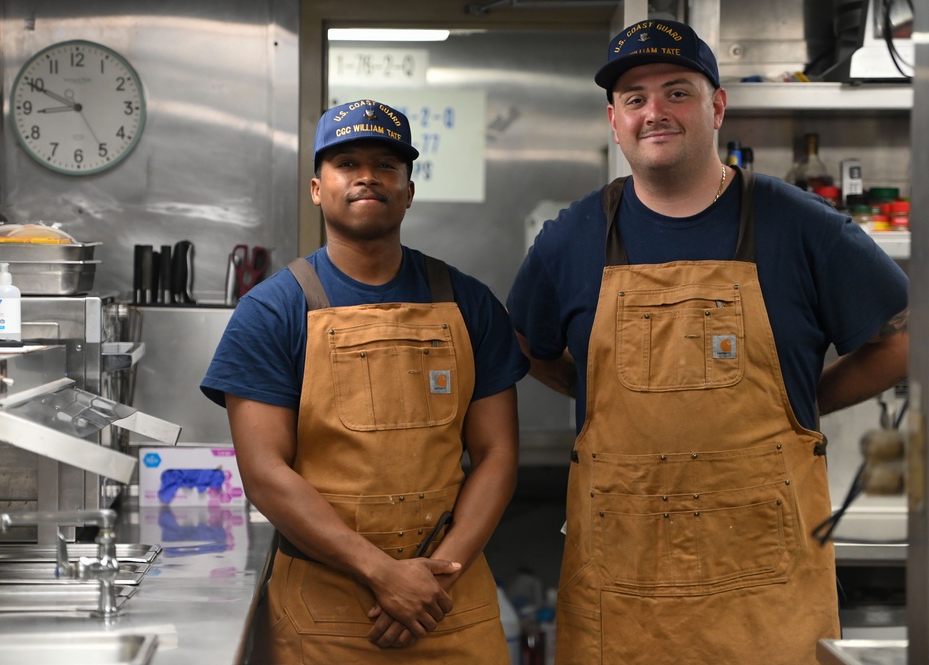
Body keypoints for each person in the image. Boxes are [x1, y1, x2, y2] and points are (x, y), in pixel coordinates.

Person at [506, 19, 909, 665]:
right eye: (634, 99)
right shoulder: (570, 237)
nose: (654, 112)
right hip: (622, 593)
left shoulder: (800, 225)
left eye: (676, 91)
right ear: (614, 121)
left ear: (715, 105)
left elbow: (900, 341)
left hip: (766, 601)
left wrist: (799, 402)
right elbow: (527, 345)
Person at [201, 98, 528, 663]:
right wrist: (384, 574)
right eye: (347, 163)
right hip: (325, 618)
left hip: (450, 606)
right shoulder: (273, 310)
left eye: (386, 165)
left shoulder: (469, 303)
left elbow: (497, 453)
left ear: (408, 189)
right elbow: (264, 472)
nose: (367, 177)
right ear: (316, 187)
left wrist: (433, 583)